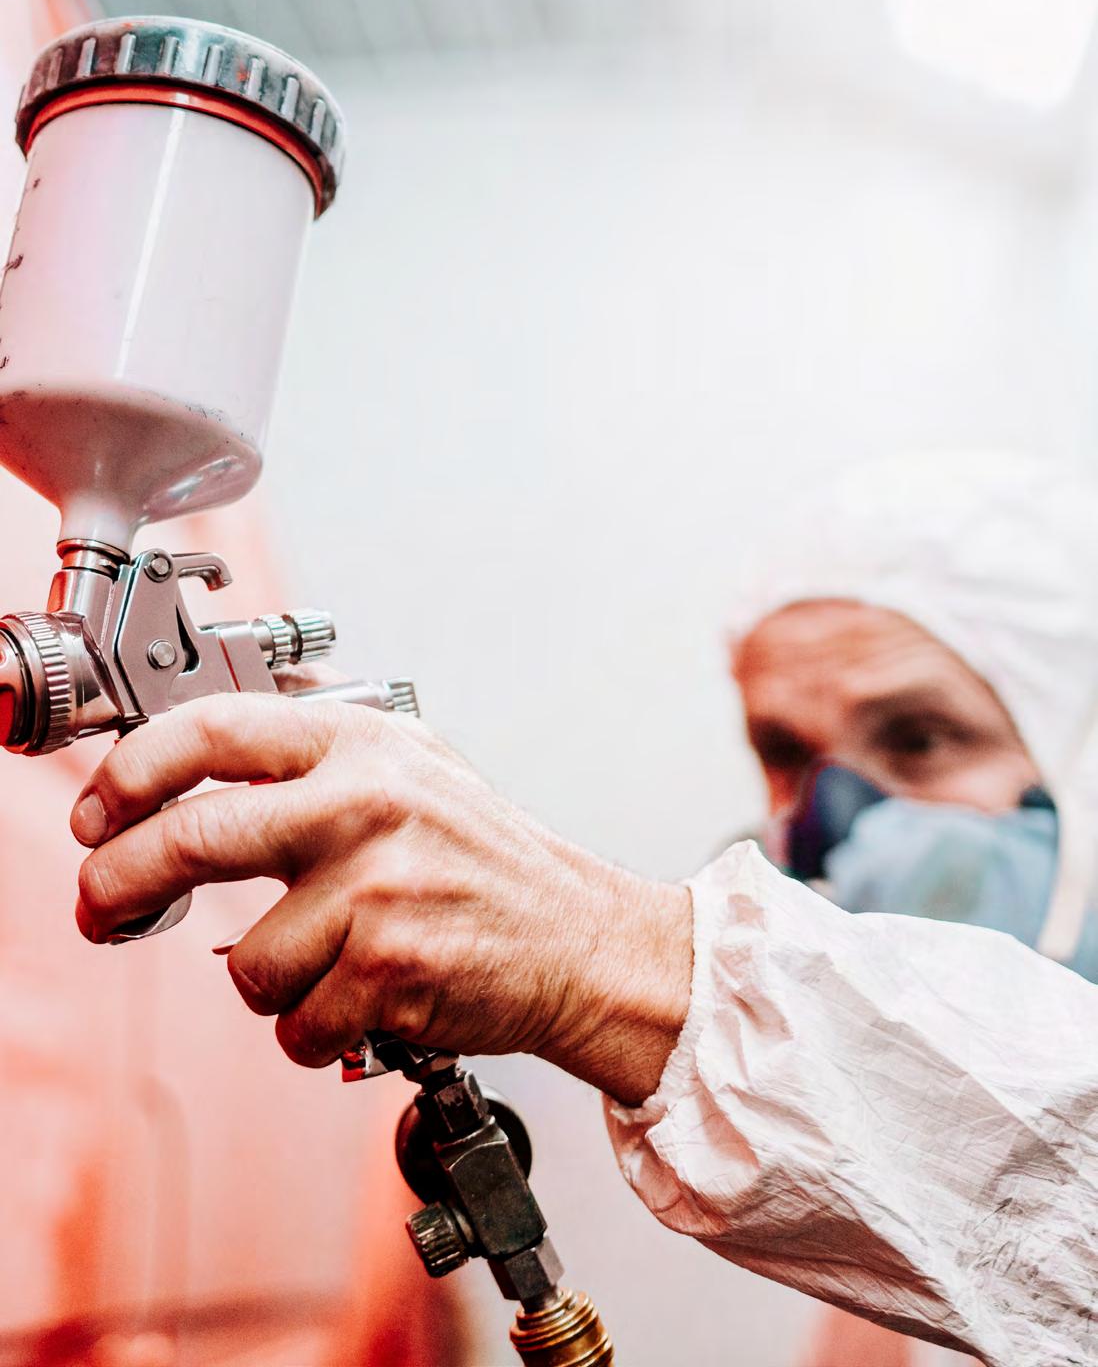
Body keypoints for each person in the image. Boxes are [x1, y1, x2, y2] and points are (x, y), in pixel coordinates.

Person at [68, 453, 1098, 1367]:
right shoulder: (870, 1214)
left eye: (919, 740)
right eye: (786, 755)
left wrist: (598, 956)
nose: (833, 820)